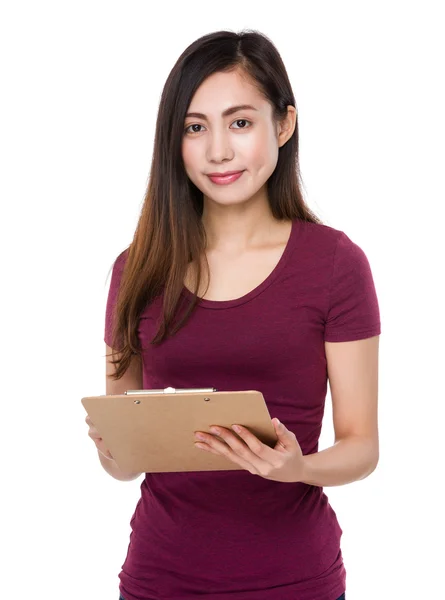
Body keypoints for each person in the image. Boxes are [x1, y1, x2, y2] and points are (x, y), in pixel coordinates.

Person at [86, 29, 380, 600]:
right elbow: (123, 465)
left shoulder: (336, 264)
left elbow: (362, 447)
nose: (218, 150)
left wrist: (298, 469)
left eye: (240, 122)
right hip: (159, 578)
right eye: (195, 128)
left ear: (284, 125)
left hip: (295, 579)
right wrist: (112, 451)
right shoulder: (135, 269)